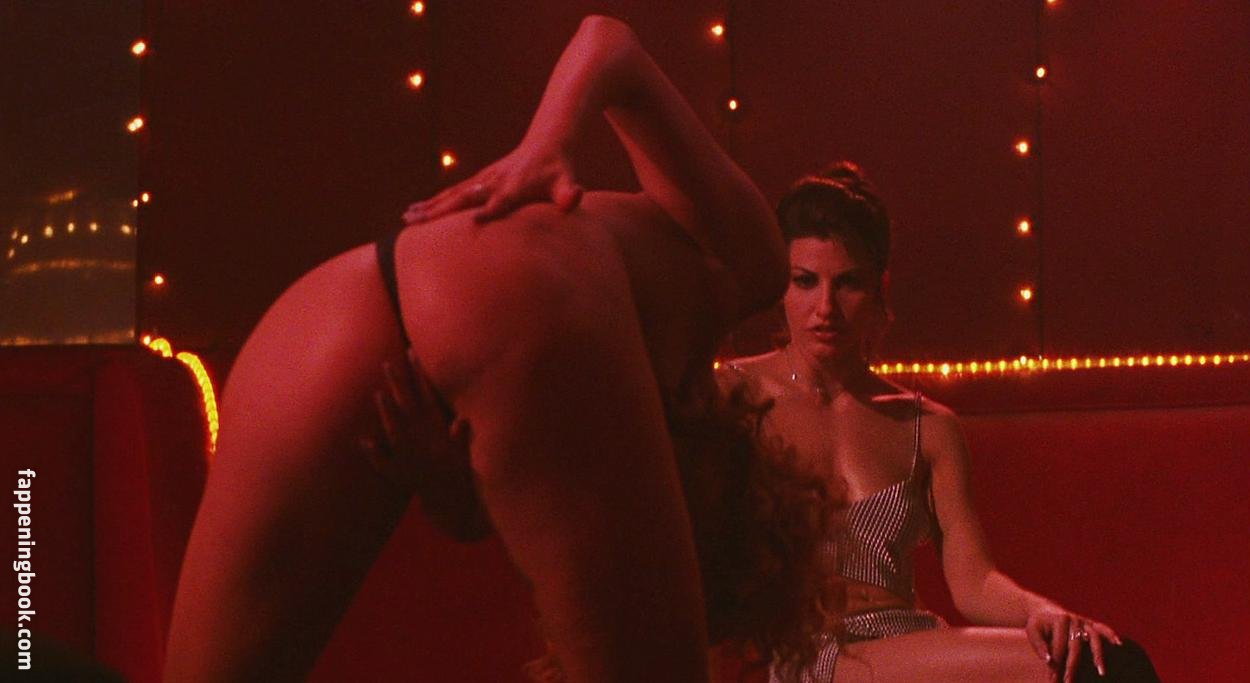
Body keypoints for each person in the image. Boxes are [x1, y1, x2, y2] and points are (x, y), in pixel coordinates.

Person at [164, 16, 837, 682]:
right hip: (519, 273)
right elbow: (608, 40)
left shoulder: (586, 412)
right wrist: (544, 147)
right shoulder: (752, 265)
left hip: (335, 303)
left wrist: (452, 489)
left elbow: (509, 459)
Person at [719, 163, 1160, 683]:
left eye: (849, 283)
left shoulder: (926, 425)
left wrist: (1041, 611)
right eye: (805, 282)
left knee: (1104, 661)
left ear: (879, 288)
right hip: (797, 653)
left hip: (904, 642)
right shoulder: (732, 397)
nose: (825, 308)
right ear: (781, 285)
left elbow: (973, 582)